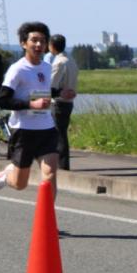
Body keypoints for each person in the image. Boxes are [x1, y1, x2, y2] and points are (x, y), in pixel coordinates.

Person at [0, 21, 72, 195]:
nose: (38, 45)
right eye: (34, 40)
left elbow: (42, 91)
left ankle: (48, 220)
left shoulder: (46, 67)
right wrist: (30, 104)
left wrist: (60, 93)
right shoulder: (17, 69)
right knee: (20, 184)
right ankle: (7, 175)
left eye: (42, 41)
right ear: (23, 43)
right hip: (23, 131)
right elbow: (2, 100)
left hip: (47, 128)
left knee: (50, 173)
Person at [48, 34, 78, 171]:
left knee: (59, 135)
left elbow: (52, 85)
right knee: (62, 133)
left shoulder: (59, 62)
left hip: (59, 102)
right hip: (69, 101)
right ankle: (62, 164)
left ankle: (62, 166)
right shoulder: (71, 60)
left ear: (52, 46)